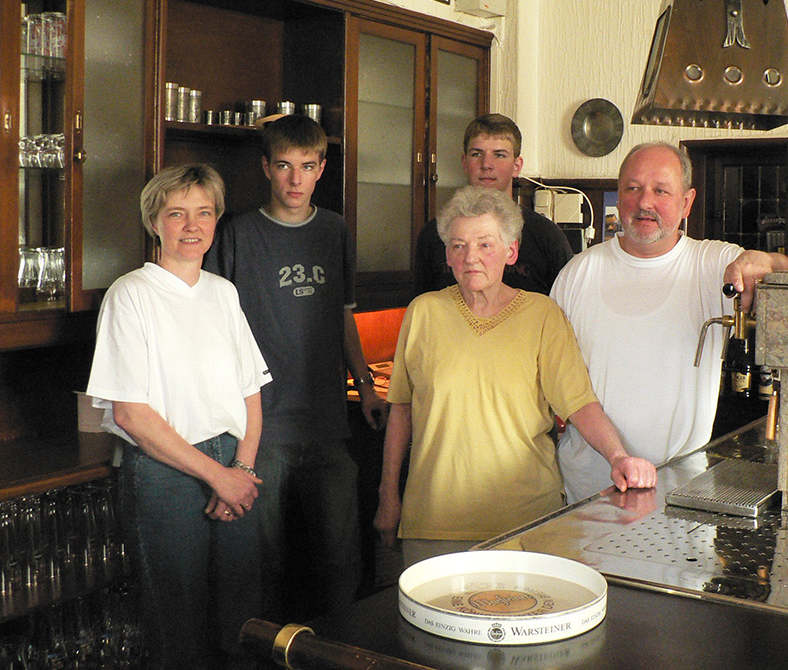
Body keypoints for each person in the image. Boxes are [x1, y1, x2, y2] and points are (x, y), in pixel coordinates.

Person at [375, 185, 656, 567]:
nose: (470, 257)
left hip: (525, 525)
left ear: (511, 252)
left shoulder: (542, 315)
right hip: (433, 521)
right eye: (458, 245)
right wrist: (388, 495)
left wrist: (618, 455)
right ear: (447, 254)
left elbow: (579, 404)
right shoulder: (423, 312)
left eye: (485, 244)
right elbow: (401, 411)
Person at [86, 164, 270, 670]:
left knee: (242, 625)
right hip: (165, 474)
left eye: (204, 213)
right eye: (177, 213)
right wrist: (220, 478)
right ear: (155, 222)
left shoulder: (222, 293)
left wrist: (244, 471)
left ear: (216, 221)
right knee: (179, 632)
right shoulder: (131, 295)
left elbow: (251, 391)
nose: (192, 225)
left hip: (235, 461)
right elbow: (130, 413)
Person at [204, 114, 386, 620]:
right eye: (283, 166)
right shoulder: (237, 233)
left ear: (321, 169)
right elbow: (213, 326)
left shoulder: (335, 230)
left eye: (306, 166)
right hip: (259, 433)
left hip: (328, 425)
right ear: (266, 166)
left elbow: (344, 316)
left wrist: (366, 386)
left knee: (341, 559)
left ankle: (339, 650)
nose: (294, 179)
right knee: (261, 563)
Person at [550, 142, 788, 503]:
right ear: (619, 196)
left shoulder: (714, 264)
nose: (644, 202)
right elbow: (557, 380)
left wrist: (767, 260)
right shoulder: (577, 273)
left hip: (683, 489)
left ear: (687, 202)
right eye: (633, 188)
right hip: (589, 490)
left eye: (660, 190)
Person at [414, 113, 573, 295]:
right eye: (477, 154)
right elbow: (421, 305)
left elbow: (566, 309)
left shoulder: (547, 237)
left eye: (499, 155)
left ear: (517, 166)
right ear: (464, 163)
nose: (486, 164)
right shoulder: (434, 234)